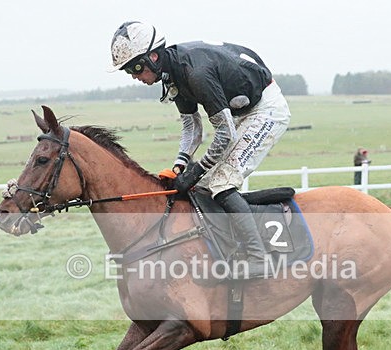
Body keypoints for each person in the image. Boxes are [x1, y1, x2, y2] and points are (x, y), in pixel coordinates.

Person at [109, 21, 291, 279]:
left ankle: (258, 257)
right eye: (128, 71)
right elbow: (192, 128)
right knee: (202, 187)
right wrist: (180, 165)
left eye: (135, 67)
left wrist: (198, 170)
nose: (134, 76)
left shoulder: (195, 73)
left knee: (222, 183)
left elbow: (225, 132)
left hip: (265, 110)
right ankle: (227, 247)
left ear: (153, 56)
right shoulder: (171, 75)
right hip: (240, 112)